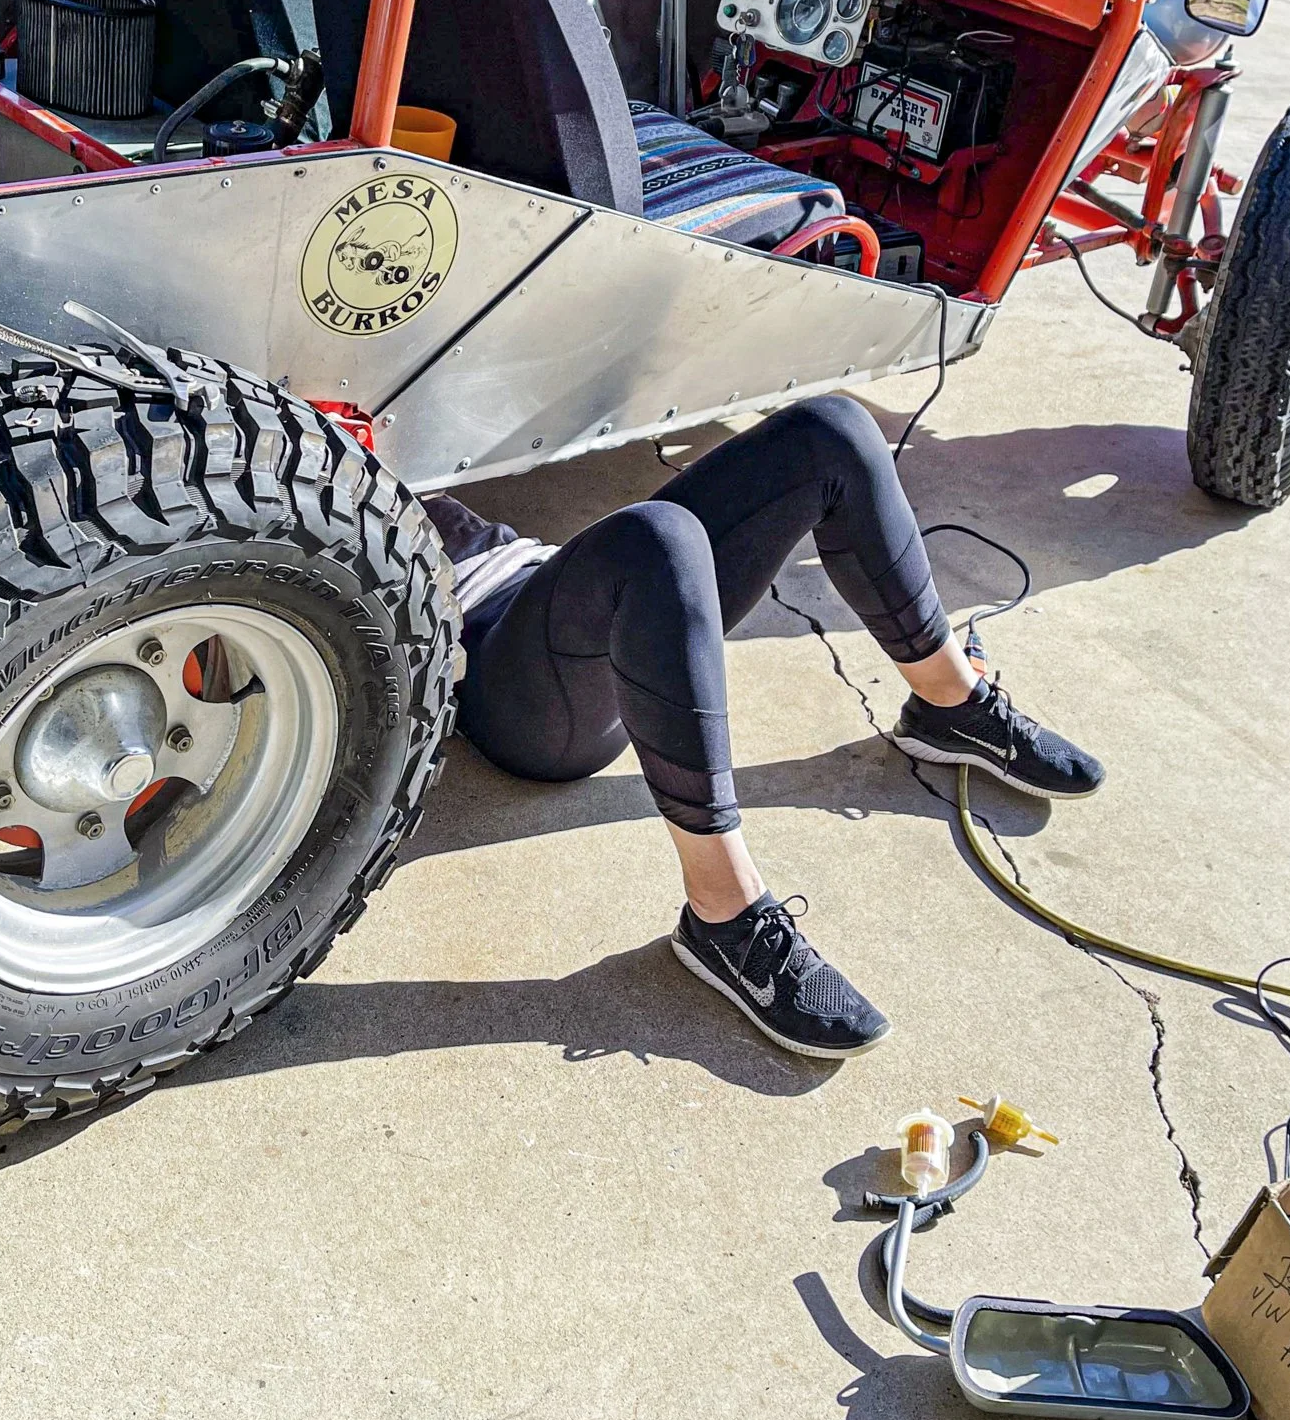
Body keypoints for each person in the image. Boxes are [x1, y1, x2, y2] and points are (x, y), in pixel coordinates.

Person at [425, 394, 1101, 1061]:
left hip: (539, 576)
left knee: (830, 430)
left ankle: (950, 701)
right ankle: (723, 914)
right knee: (656, 540)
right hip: (502, 668)